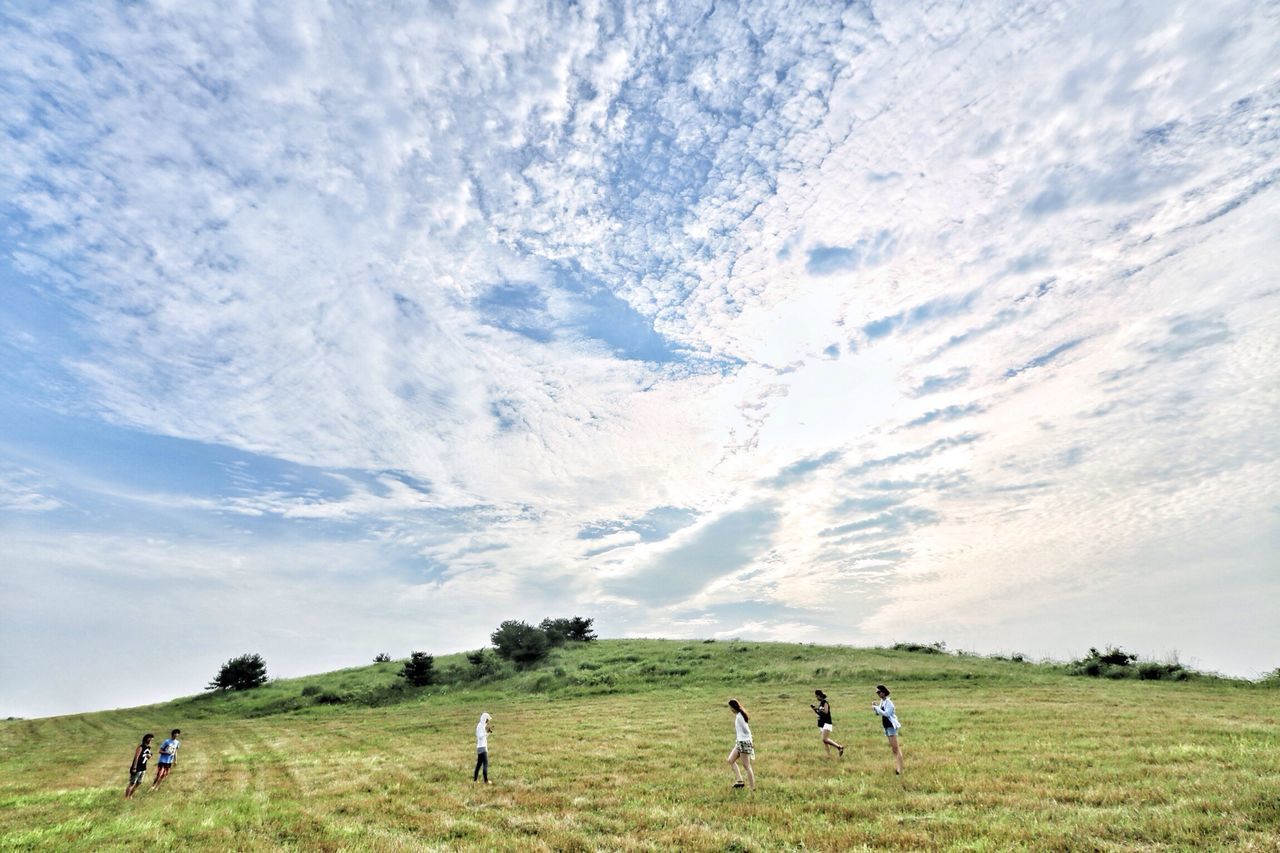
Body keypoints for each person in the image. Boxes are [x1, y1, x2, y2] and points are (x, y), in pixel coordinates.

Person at [872, 684, 904, 774]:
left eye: (879, 692)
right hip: (886, 726)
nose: (878, 694)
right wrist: (876, 708)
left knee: (896, 748)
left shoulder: (889, 703)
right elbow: (879, 714)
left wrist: (877, 708)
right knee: (893, 749)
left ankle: (900, 769)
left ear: (883, 692)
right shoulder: (882, 702)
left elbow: (887, 714)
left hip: (891, 726)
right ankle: (898, 767)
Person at [726, 698, 755, 790]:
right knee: (730, 760)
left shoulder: (739, 717)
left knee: (747, 766)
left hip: (744, 743)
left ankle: (752, 788)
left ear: (733, 707)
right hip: (739, 742)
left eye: (730, 708)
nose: (730, 710)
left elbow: (746, 730)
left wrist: (749, 741)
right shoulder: (739, 715)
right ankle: (740, 781)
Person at [810, 689, 844, 757]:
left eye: (817, 696)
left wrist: (818, 708)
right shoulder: (821, 704)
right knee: (825, 741)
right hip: (821, 723)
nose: (816, 698)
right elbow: (820, 713)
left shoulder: (825, 702)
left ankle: (839, 747)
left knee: (824, 739)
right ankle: (829, 755)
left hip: (826, 723)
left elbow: (826, 711)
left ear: (820, 696)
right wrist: (815, 710)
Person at [125, 733, 154, 798]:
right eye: (150, 739)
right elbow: (136, 757)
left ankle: (131, 795)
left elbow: (148, 756)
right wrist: (134, 767)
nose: (150, 741)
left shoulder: (148, 748)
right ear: (146, 739)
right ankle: (126, 797)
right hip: (137, 767)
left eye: (151, 740)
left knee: (139, 783)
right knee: (132, 783)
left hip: (143, 767)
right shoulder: (141, 747)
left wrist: (149, 756)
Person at [473, 712, 492, 783]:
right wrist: (485, 733)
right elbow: (480, 737)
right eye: (487, 720)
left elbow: (484, 737)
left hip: (480, 747)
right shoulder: (480, 726)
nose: (487, 721)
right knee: (485, 764)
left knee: (479, 764)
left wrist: (488, 733)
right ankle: (486, 781)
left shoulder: (481, 726)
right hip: (482, 747)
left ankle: (475, 780)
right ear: (484, 719)